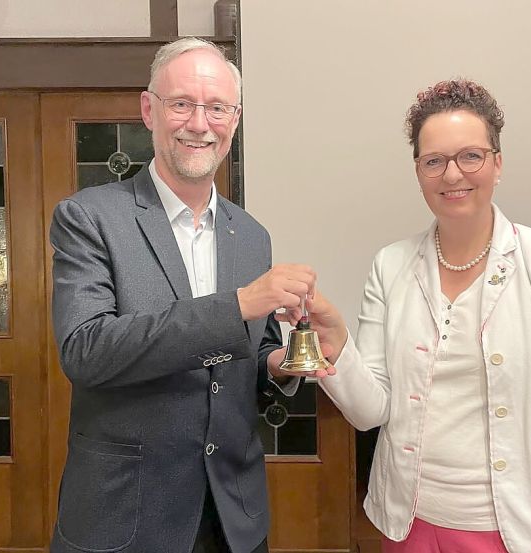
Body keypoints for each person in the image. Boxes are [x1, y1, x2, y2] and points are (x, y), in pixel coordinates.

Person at [304, 79, 531, 552]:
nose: (453, 175)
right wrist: (337, 346)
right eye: (434, 161)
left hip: (515, 531)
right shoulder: (391, 265)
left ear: (497, 163)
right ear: (418, 170)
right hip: (409, 525)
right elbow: (371, 413)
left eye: (470, 156)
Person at [48, 37, 330, 553]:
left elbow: (252, 353)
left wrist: (281, 366)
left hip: (232, 516)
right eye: (182, 104)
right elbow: (86, 351)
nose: (200, 124)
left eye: (217, 108)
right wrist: (239, 305)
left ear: (235, 119)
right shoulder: (89, 218)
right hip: (126, 516)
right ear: (148, 110)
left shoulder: (251, 236)